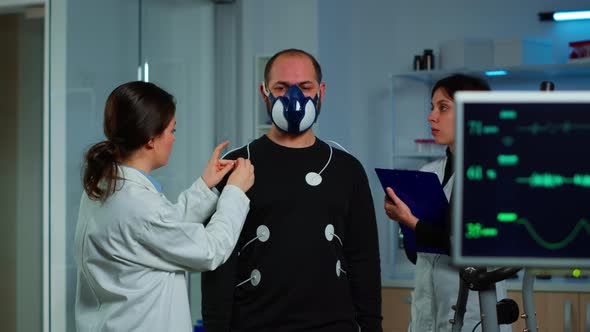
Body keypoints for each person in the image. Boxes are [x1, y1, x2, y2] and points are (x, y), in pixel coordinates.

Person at [201, 49, 383, 332]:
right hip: (255, 324)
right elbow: (218, 263)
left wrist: (372, 327)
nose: (294, 98)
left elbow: (364, 260)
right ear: (265, 93)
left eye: (305, 87)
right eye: (282, 87)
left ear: (321, 91)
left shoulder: (346, 169)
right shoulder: (236, 164)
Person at [74, 81, 255, 332]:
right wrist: (234, 192)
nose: (173, 138)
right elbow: (210, 250)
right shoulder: (136, 205)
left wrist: (205, 186)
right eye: (171, 130)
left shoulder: (105, 188)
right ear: (151, 139)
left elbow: (161, 231)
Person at [383, 74, 510, 332]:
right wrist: (405, 223)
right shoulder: (428, 173)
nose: (432, 117)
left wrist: (411, 222)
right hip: (425, 316)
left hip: (474, 317)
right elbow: (416, 254)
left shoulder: (489, 174)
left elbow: (463, 246)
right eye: (432, 108)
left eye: (443, 108)